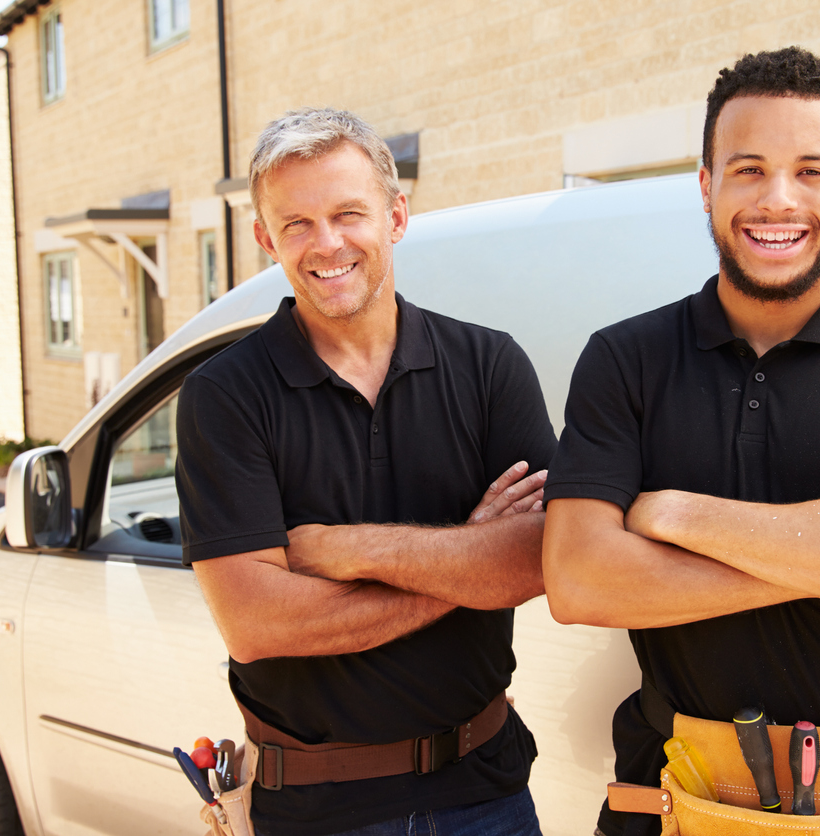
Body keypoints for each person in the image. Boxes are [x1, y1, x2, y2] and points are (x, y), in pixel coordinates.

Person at [541, 47, 820, 836]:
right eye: (748, 169)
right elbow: (578, 583)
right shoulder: (626, 358)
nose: (778, 200)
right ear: (706, 185)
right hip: (673, 783)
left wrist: (670, 512)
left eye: (812, 171)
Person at [176, 107, 555, 836]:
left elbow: (538, 560)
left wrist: (344, 549)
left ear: (396, 216)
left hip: (489, 795)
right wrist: (465, 561)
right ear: (265, 239)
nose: (327, 244)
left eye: (349, 213)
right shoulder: (225, 396)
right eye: (296, 224)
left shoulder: (488, 366)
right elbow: (256, 623)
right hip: (320, 812)